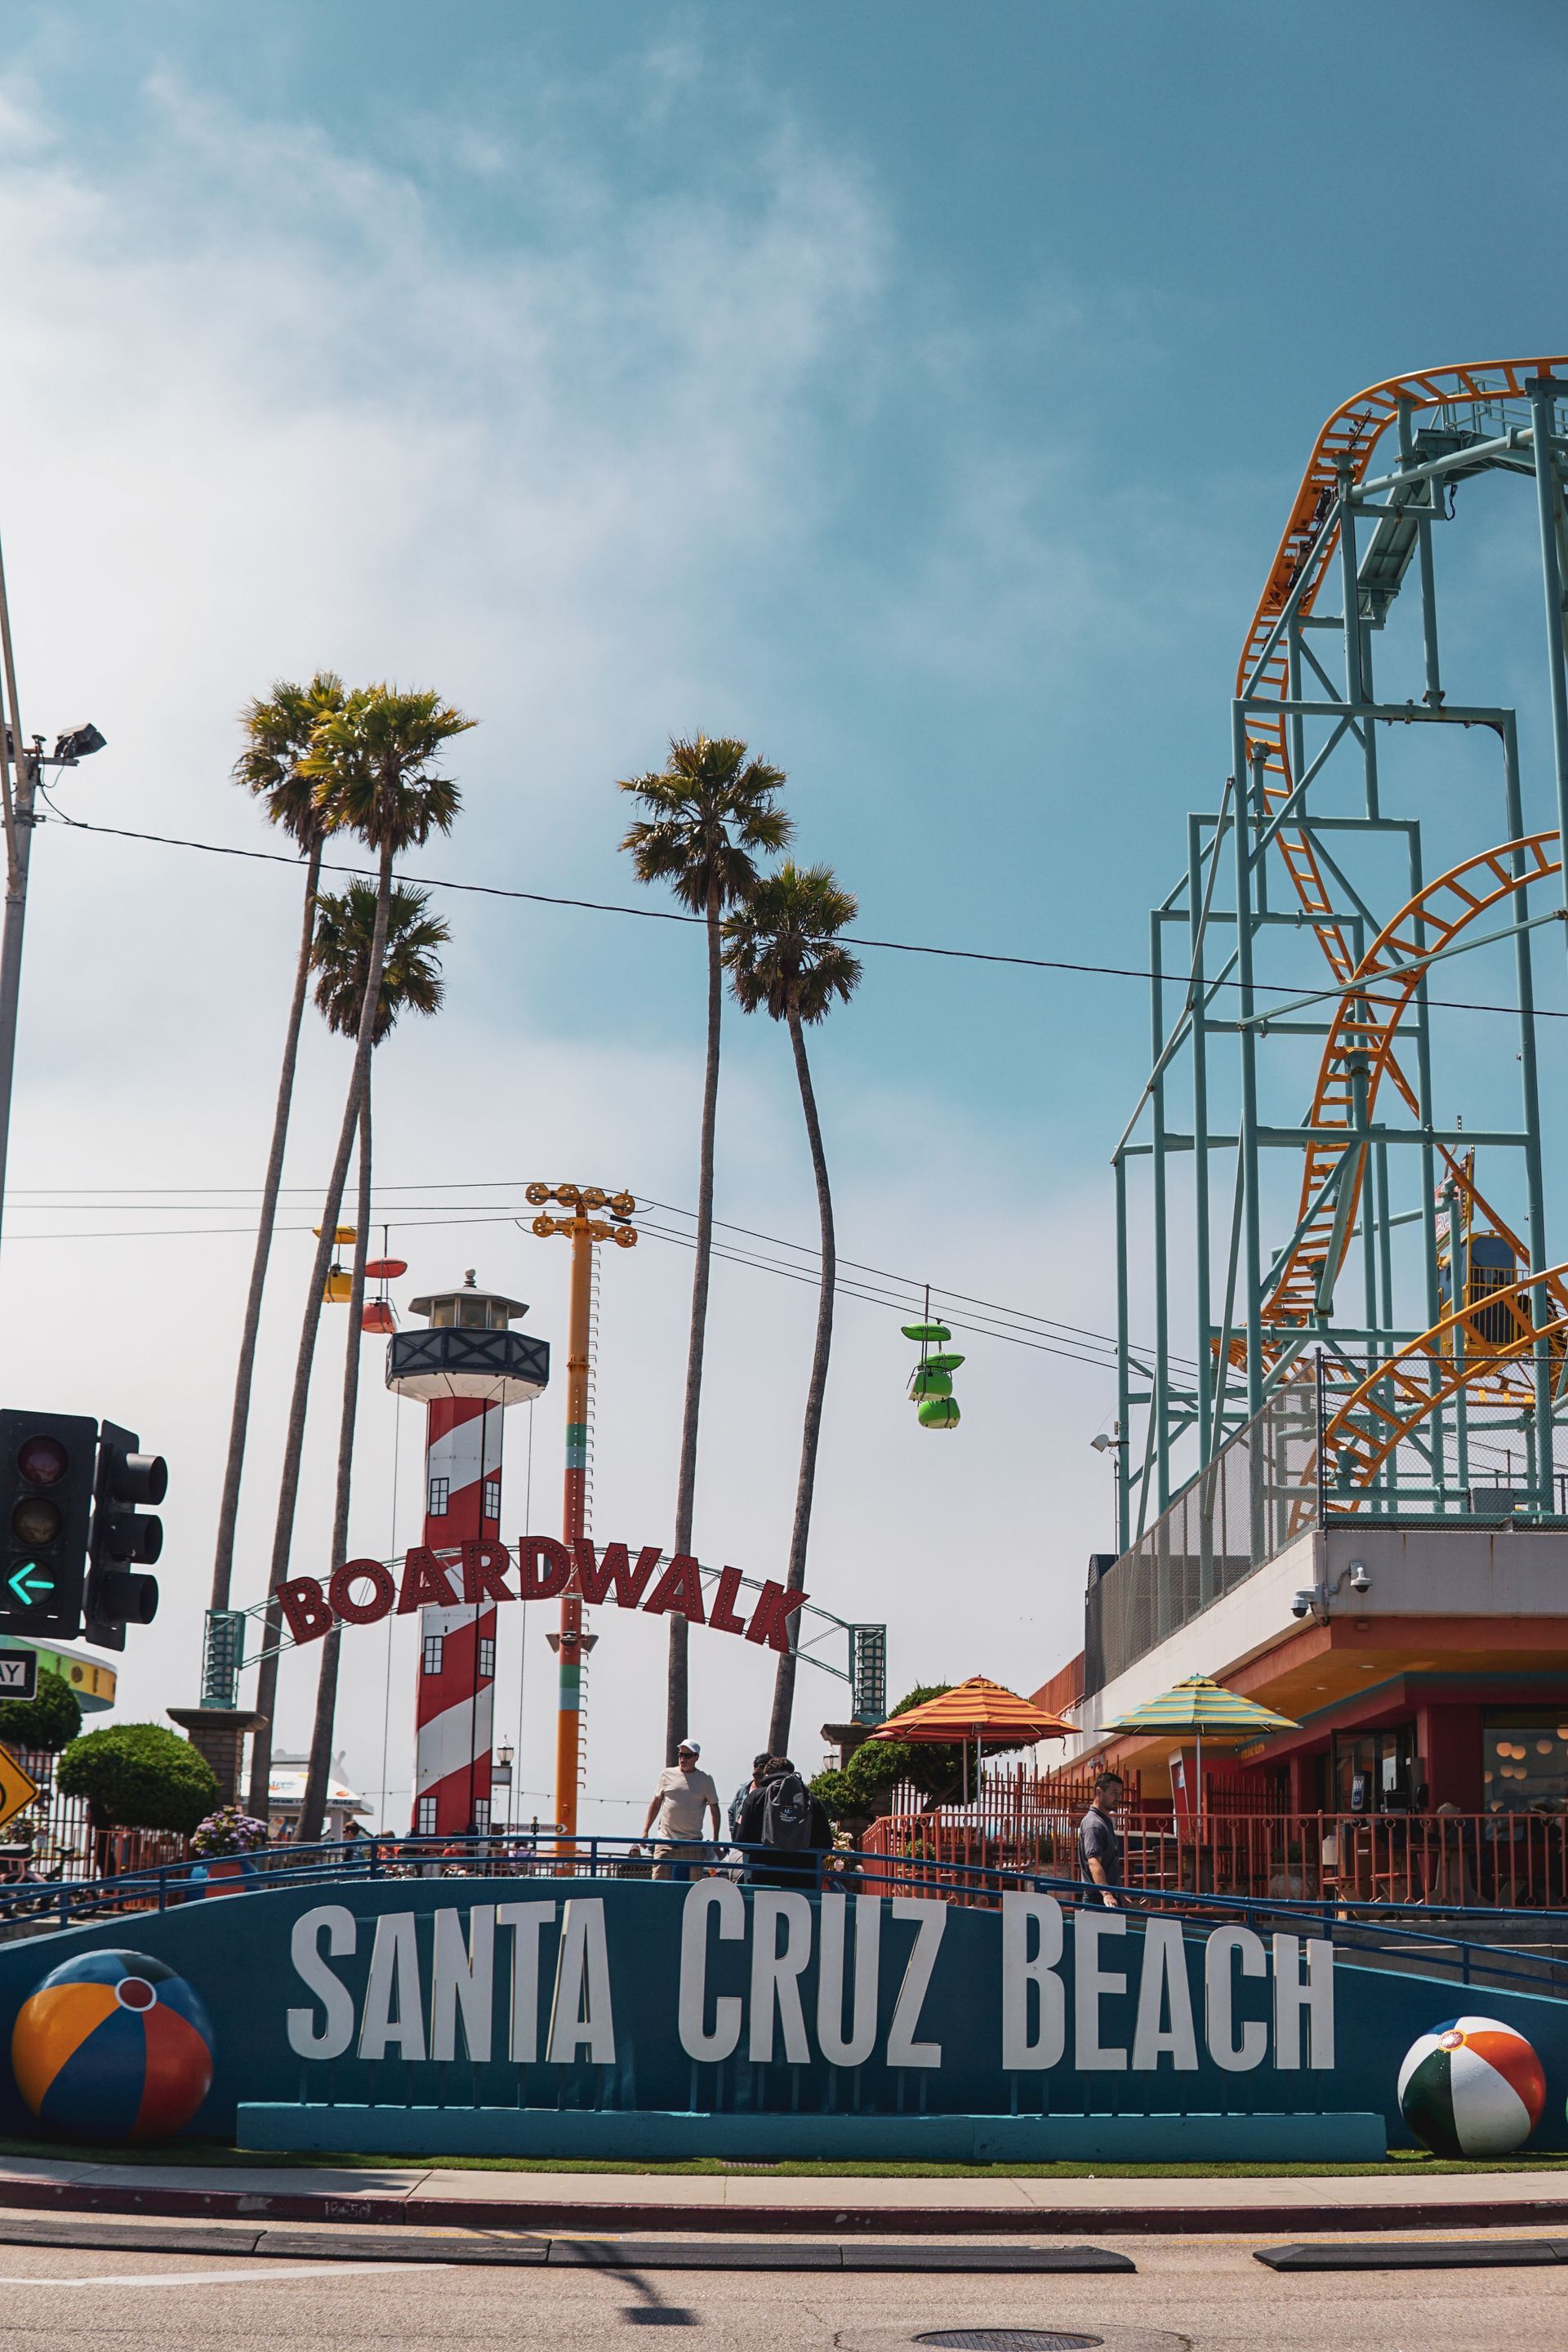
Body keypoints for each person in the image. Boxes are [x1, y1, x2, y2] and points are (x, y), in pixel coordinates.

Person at [734, 1757, 833, 1888]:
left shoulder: (755, 1797)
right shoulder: (812, 1800)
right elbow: (826, 1844)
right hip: (803, 1880)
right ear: (792, 1773)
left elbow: (740, 1839)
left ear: (767, 1775)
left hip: (764, 1878)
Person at [642, 1740, 721, 1881]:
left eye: (687, 1756)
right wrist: (645, 1830)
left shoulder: (706, 1780)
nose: (683, 1759)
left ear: (696, 1757)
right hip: (665, 1841)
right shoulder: (666, 1774)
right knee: (659, 1883)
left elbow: (715, 1809)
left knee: (693, 1888)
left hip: (693, 1842)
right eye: (680, 1755)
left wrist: (715, 1839)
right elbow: (656, 1804)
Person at [1077, 1771, 1125, 1907]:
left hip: (1111, 1899)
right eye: (1113, 1793)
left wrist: (1120, 1895)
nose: (1118, 1798)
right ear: (1099, 1792)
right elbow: (1093, 1862)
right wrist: (1107, 1894)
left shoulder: (1105, 1821)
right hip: (1098, 1902)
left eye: (1120, 1794)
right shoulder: (1094, 1825)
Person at [729, 1753, 773, 1844]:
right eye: (755, 1775)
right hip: (743, 1842)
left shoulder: (772, 1793)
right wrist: (735, 1833)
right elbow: (732, 1811)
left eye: (761, 1776)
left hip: (763, 1842)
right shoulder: (743, 1789)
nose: (758, 1779)